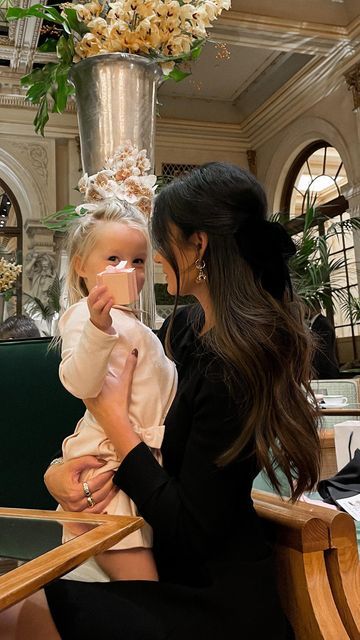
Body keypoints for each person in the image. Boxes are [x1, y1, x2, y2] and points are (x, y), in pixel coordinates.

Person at [0, 163, 321, 639]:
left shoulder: (232, 368)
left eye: (155, 245)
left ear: (198, 246)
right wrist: (57, 476)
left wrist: (112, 419)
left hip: (212, 600)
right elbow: (120, 412)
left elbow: (189, 525)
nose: (147, 260)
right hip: (169, 564)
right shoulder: (186, 332)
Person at [55, 200, 177, 582]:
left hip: (141, 459)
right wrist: (96, 325)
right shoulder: (82, 316)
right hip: (109, 464)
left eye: (138, 261)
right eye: (113, 258)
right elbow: (79, 381)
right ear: (80, 265)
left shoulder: (136, 324)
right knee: (142, 583)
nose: (127, 269)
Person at [307, 303, 340, 379]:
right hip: (323, 371)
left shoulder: (322, 323)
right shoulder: (317, 323)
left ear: (311, 309)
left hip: (325, 371)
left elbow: (321, 351)